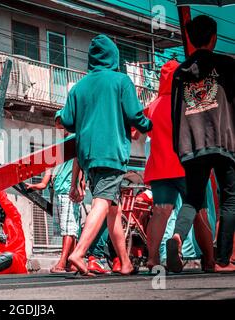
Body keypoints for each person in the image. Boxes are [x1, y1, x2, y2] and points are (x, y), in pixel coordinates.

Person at [56, 34, 153, 276]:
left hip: (88, 155)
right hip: (110, 152)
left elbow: (67, 121)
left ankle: (125, 262)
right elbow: (135, 116)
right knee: (103, 201)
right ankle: (79, 253)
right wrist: (152, 126)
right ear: (114, 57)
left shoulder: (79, 86)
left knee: (113, 209)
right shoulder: (121, 81)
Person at [167, 15, 235, 273]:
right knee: (229, 199)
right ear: (214, 38)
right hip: (223, 140)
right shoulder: (227, 66)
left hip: (192, 143)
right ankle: (222, 260)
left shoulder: (180, 72)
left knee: (193, 199)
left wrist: (179, 145)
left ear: (192, 40)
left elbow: (176, 112)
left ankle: (177, 238)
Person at [140, 60, 215, 272]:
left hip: (159, 168)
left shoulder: (152, 107)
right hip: (187, 166)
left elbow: (142, 133)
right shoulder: (187, 101)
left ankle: (153, 260)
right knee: (199, 211)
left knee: (160, 212)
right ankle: (209, 261)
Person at [25, 130, 85, 273]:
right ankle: (71, 262)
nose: (61, 127)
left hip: (69, 191)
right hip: (58, 192)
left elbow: (80, 163)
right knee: (67, 228)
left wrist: (79, 185)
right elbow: (46, 179)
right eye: (59, 124)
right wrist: (35, 185)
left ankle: (62, 262)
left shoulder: (74, 140)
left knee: (69, 227)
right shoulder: (56, 148)